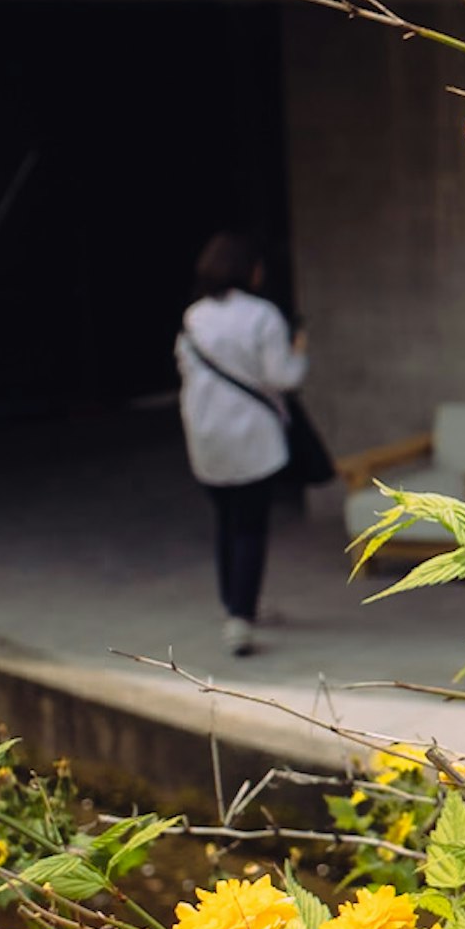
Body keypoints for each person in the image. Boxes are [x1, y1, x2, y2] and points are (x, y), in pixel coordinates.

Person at [176, 231, 308, 659]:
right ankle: (241, 620)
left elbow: (185, 367)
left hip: (205, 433)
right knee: (251, 526)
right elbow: (283, 377)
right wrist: (300, 350)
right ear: (249, 269)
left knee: (226, 522)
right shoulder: (263, 315)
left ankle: (234, 603)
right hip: (252, 435)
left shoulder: (194, 317)